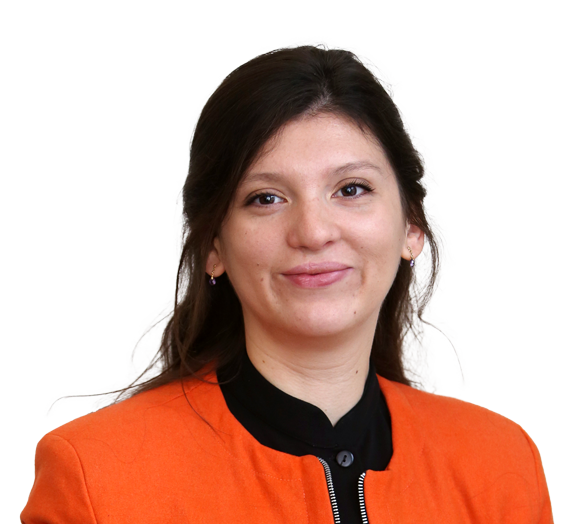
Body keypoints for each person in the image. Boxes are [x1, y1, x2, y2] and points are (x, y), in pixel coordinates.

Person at [21, 43, 552, 523]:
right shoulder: (94, 477)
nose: (313, 232)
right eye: (266, 198)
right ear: (213, 246)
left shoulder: (501, 464)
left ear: (411, 227)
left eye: (351, 188)